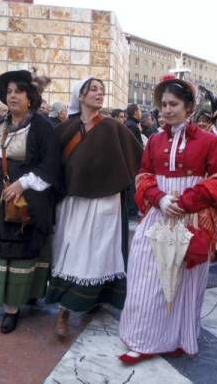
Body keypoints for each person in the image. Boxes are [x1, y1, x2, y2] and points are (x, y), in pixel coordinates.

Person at [118, 74, 217, 363]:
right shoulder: (154, 140)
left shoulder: (208, 141)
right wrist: (160, 198)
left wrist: (187, 201)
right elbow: (143, 176)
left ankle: (179, 337)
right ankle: (143, 340)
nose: (167, 110)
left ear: (189, 106)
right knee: (146, 276)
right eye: (164, 105)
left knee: (186, 284)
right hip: (159, 215)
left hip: (191, 219)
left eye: (174, 104)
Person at [0, 70, 60, 334]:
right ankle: (9, 303)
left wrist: (22, 183)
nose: (12, 96)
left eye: (18, 91)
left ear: (30, 97)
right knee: (0, 250)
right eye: (9, 92)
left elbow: (50, 166)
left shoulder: (42, 127)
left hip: (27, 199)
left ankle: (14, 308)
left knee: (21, 251)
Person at [47, 77, 142, 338]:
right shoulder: (66, 128)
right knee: (71, 252)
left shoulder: (113, 127)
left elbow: (139, 156)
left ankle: (96, 299)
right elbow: (50, 161)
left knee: (101, 253)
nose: (99, 94)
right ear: (81, 95)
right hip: (74, 202)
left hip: (105, 203)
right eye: (93, 90)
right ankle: (64, 311)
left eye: (101, 90)